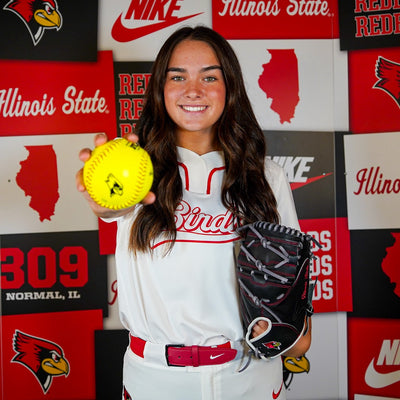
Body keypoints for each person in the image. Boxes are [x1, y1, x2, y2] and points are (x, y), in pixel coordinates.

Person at [76, 25, 311, 400]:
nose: (193, 90)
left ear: (229, 87)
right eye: (178, 76)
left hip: (248, 375)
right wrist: (103, 200)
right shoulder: (133, 170)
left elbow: (294, 309)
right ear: (160, 88)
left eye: (210, 77)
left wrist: (290, 326)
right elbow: (107, 206)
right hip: (156, 378)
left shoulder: (267, 177)